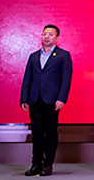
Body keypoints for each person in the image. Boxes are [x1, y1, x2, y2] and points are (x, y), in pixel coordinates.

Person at [20, 24, 73, 177]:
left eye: (50, 34)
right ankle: (36, 163)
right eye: (44, 34)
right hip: (35, 99)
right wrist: (24, 98)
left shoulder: (63, 55)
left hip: (52, 100)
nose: (47, 37)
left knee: (50, 132)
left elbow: (66, 79)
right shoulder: (33, 56)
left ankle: (48, 164)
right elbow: (27, 78)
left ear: (57, 38)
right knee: (36, 133)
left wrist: (61, 98)